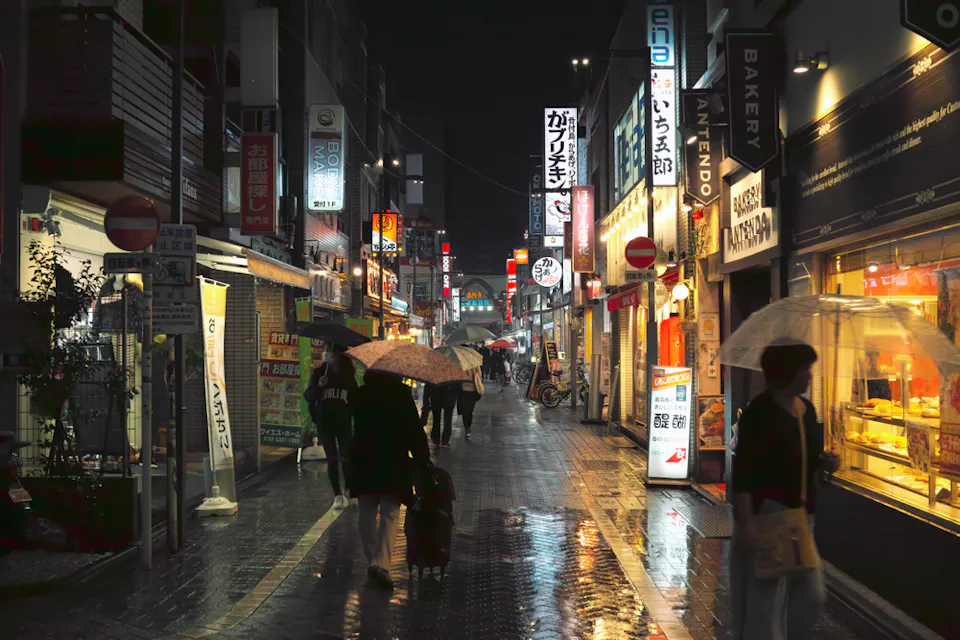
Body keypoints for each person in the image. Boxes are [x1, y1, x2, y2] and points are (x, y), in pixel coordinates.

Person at [730, 339, 839, 639]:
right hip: (768, 517)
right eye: (805, 369)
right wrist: (747, 525)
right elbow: (744, 475)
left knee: (811, 597)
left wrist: (825, 464)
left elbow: (810, 460)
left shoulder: (807, 410)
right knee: (767, 603)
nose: (810, 376)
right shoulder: (758, 415)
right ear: (787, 372)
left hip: (802, 517)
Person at [350, 371, 431, 588]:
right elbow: (414, 431)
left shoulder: (359, 395)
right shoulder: (401, 395)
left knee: (366, 512)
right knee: (390, 513)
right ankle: (381, 563)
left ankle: (372, 561)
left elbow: (351, 428)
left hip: (364, 461)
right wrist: (423, 460)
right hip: (392, 462)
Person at [306, 343, 357, 510]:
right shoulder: (320, 373)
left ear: (339, 354)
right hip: (325, 422)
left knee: (346, 458)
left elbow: (355, 398)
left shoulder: (348, 375)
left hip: (343, 422)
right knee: (332, 459)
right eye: (326, 350)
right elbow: (309, 396)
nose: (327, 354)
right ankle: (337, 495)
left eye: (330, 351)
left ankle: (349, 489)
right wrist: (318, 386)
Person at [457, 367, 484, 439]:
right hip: (465, 391)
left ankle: (467, 427)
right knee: (467, 410)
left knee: (468, 410)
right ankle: (467, 428)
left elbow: (480, 376)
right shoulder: (461, 365)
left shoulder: (475, 366)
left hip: (471, 391)